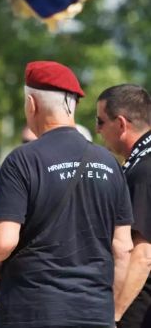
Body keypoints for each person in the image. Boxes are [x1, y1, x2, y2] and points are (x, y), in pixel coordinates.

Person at [0, 61, 134, 328]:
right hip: (94, 314)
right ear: (73, 105)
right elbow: (122, 248)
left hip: (32, 312)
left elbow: (3, 240)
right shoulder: (108, 162)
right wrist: (110, 313)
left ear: (31, 103)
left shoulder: (23, 160)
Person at [96, 84, 151, 327]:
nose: (97, 130)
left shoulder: (144, 170)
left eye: (100, 122)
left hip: (137, 309)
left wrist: (114, 315)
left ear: (120, 124)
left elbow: (143, 255)